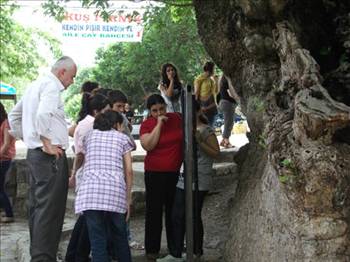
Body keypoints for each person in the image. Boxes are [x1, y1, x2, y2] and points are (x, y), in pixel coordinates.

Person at [8, 56, 77, 261]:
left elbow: (14, 116)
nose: (72, 81)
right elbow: (43, 114)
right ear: (62, 72)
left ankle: (38, 255)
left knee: (38, 207)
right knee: (50, 211)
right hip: (49, 156)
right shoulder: (51, 86)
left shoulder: (34, 85)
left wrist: (29, 138)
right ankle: (43, 258)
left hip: (36, 154)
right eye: (72, 76)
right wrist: (44, 142)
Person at [157, 101, 219, 262]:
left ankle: (197, 251)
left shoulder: (206, 130)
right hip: (184, 177)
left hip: (200, 177)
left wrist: (199, 140)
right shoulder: (186, 129)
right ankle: (176, 253)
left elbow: (216, 153)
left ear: (198, 112)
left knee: (193, 215)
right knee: (177, 214)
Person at [74, 110, 134, 262]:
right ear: (117, 124)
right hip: (115, 193)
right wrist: (128, 199)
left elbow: (82, 156)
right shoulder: (122, 138)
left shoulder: (89, 137)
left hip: (90, 193)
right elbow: (129, 170)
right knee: (120, 236)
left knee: (97, 241)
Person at [65, 93, 111, 262]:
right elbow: (80, 154)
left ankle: (74, 255)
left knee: (86, 219)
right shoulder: (91, 125)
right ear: (96, 110)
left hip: (86, 174)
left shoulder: (84, 123)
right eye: (106, 110)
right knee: (89, 221)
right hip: (88, 175)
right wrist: (73, 174)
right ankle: (79, 255)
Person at [140, 94, 183, 260]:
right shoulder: (147, 124)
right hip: (154, 173)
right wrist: (158, 124)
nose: (159, 113)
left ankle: (175, 248)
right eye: (155, 111)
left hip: (173, 172)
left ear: (166, 107)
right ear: (150, 111)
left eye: (161, 109)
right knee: (154, 211)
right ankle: (152, 249)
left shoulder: (176, 118)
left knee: (173, 212)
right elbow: (148, 145)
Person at [0, 102, 16, 223]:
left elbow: (6, 144)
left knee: (1, 188)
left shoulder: (6, 123)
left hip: (4, 159)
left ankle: (9, 214)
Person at [194, 61, 219, 127]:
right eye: (214, 69)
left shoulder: (211, 79)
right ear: (210, 69)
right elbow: (196, 93)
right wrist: (197, 107)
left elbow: (216, 92)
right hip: (203, 105)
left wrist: (216, 81)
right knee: (205, 126)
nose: (215, 70)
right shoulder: (199, 79)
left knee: (211, 126)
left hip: (212, 105)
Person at [218, 75, 237, 148]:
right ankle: (226, 141)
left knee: (228, 122)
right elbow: (231, 93)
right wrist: (238, 99)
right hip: (228, 103)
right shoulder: (227, 79)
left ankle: (223, 141)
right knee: (229, 123)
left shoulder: (222, 80)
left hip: (223, 102)